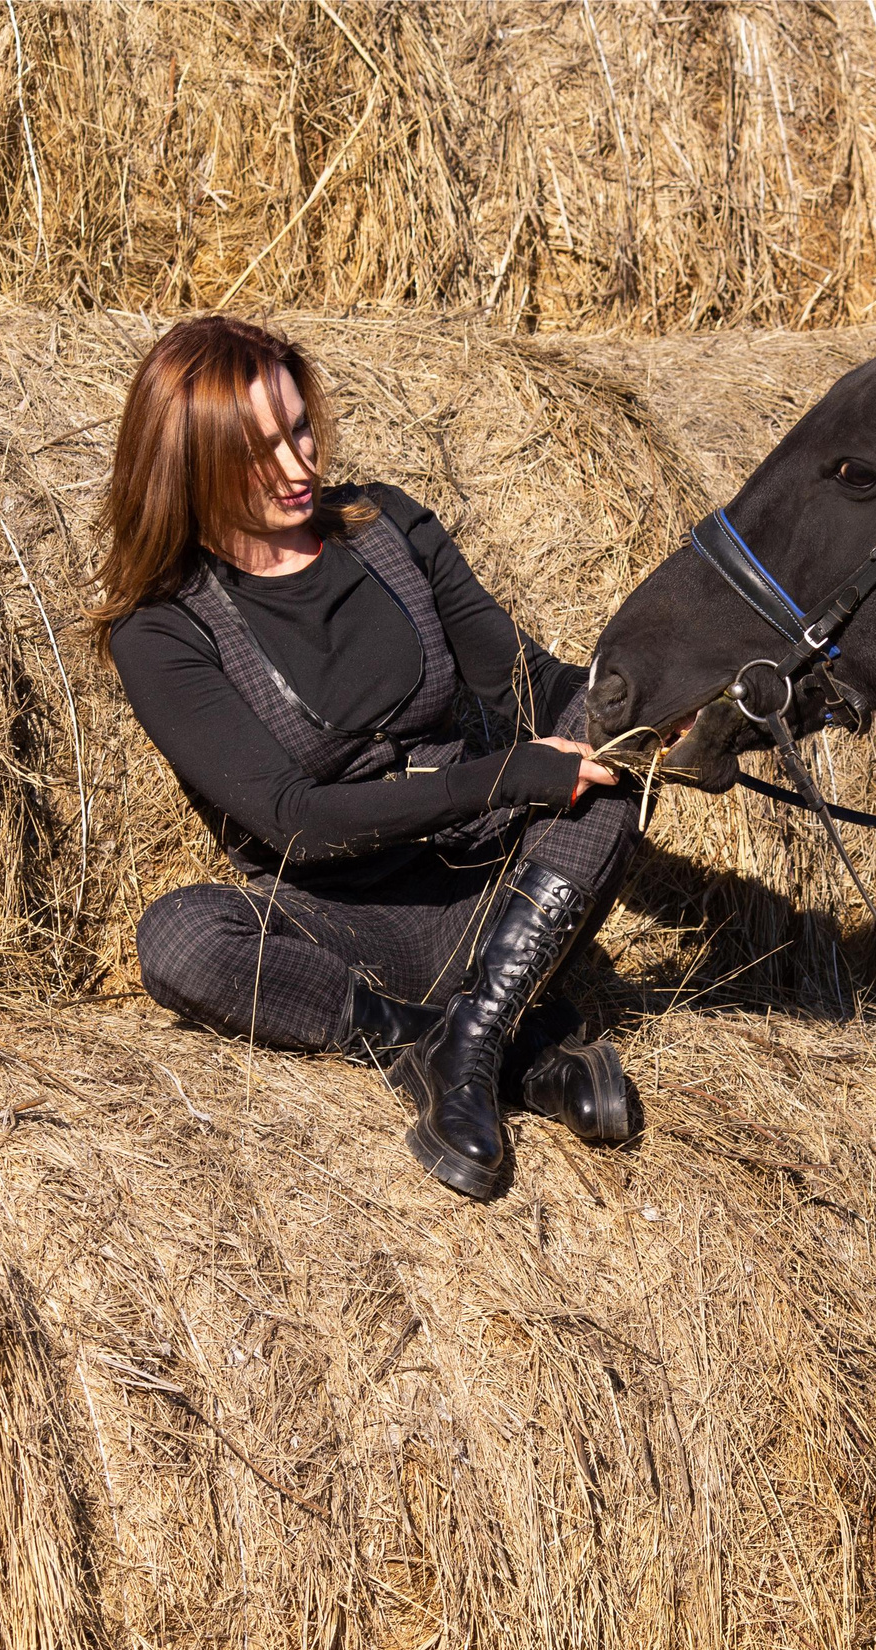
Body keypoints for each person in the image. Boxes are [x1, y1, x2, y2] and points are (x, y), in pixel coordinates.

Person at [97, 315, 640, 1200]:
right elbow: (293, 822)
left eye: (299, 427)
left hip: (490, 889)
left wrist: (653, 712)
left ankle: (476, 1038)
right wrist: (504, 776)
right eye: (258, 449)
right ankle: (468, 1041)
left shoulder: (385, 526)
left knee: (613, 730)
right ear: (191, 464)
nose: (297, 464)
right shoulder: (162, 631)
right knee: (180, 937)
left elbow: (530, 685)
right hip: (342, 926)